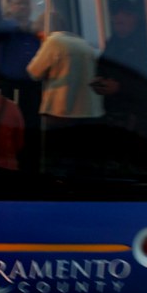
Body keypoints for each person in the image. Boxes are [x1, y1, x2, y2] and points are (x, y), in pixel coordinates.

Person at [26, 11, 100, 174]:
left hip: (60, 110)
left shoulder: (53, 41)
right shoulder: (83, 43)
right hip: (87, 110)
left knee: (58, 159)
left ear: (45, 29)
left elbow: (33, 71)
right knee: (80, 159)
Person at [92, 0, 147, 137]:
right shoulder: (113, 41)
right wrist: (99, 80)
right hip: (114, 111)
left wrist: (120, 87)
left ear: (133, 17)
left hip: (138, 114)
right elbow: (102, 65)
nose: (117, 24)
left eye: (121, 21)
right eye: (115, 21)